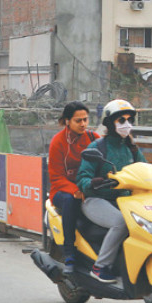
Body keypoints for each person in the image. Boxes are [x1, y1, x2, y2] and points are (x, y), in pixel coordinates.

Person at [75, 99, 148, 283]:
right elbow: (82, 178)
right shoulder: (97, 148)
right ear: (109, 123)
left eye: (129, 120)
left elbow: (146, 170)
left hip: (125, 201)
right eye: (121, 120)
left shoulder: (131, 149)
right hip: (96, 200)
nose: (126, 125)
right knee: (121, 223)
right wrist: (94, 182)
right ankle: (100, 267)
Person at [47, 102, 99, 273]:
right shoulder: (58, 142)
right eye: (78, 120)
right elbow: (56, 177)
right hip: (63, 191)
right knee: (70, 200)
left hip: (89, 188)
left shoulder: (94, 139)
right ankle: (69, 252)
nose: (83, 124)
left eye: (85, 119)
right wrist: (75, 190)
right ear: (68, 121)